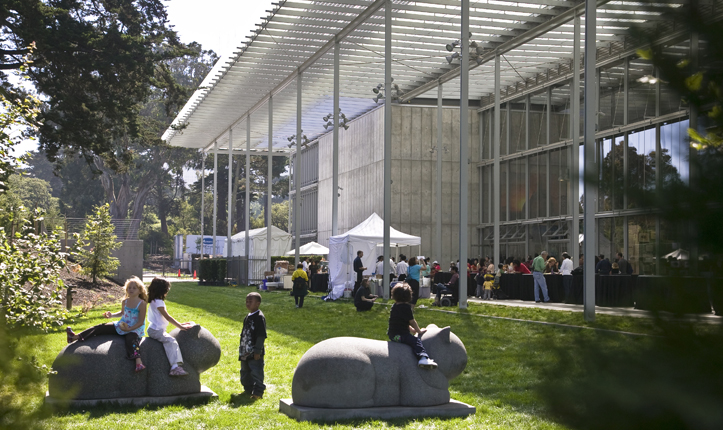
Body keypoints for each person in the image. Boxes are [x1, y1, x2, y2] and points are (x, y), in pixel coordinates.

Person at [66, 277, 148, 372]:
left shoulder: (142, 304)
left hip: (135, 328)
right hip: (121, 325)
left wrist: (130, 329)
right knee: (100, 327)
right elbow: (122, 313)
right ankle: (75, 337)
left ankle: (138, 362)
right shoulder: (125, 301)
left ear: (140, 290)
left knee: (131, 340)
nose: (131, 289)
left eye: (134, 288)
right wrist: (111, 315)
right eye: (129, 287)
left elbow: (141, 322)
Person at [146, 278, 194, 376]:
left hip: (155, 329)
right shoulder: (158, 302)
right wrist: (180, 326)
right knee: (171, 341)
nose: (167, 292)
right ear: (162, 290)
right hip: (156, 330)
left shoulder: (154, 301)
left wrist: (181, 324)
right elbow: (167, 317)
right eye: (167, 290)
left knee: (169, 340)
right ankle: (175, 367)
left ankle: (175, 367)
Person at [387, 283, 437, 369]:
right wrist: (419, 331)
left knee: (410, 339)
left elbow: (399, 322)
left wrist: (411, 330)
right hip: (401, 336)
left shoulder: (394, 306)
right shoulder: (406, 307)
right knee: (416, 342)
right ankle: (423, 358)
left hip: (392, 335)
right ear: (408, 296)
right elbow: (412, 321)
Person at [239, 292, 266, 399]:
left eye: (251, 301)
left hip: (254, 351)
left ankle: (258, 392)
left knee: (256, 372)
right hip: (245, 350)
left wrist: (257, 351)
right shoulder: (248, 316)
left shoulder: (259, 317)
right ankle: (248, 389)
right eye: (247, 301)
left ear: (258, 303)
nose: (248, 303)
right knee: (245, 371)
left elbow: (261, 335)